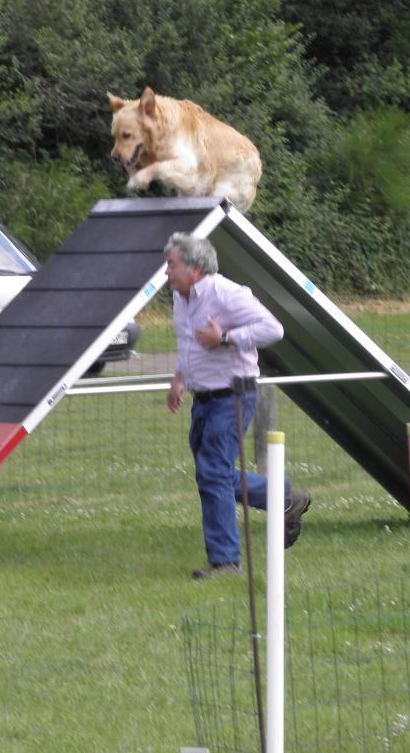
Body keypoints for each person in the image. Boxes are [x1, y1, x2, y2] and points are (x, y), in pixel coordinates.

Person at [164, 233, 310, 579]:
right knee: (213, 472)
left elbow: (272, 329)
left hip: (232, 395)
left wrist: (226, 339)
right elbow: (189, 343)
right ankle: (284, 499)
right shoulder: (180, 298)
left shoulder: (227, 294)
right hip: (203, 398)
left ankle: (226, 562)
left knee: (213, 473)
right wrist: (179, 378)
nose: (166, 272)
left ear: (196, 268)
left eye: (172, 264)